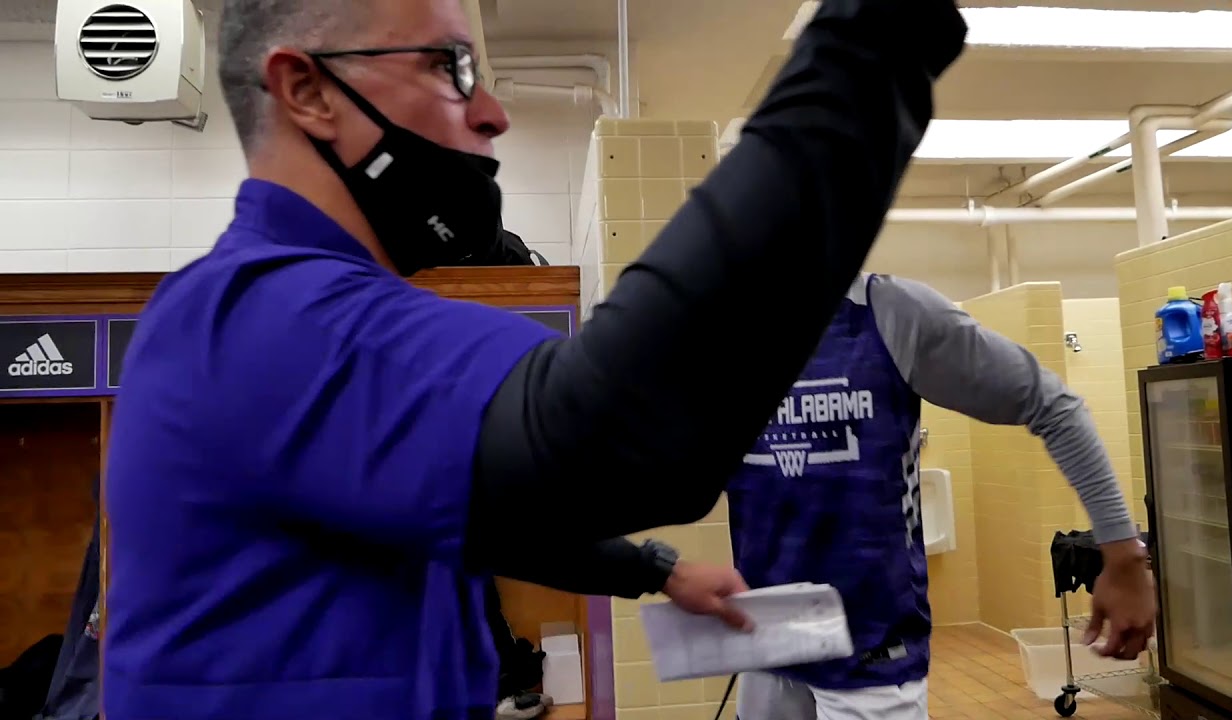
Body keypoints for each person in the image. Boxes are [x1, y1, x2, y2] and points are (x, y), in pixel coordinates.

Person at [101, 0, 969, 717]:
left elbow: (486, 510)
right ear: (307, 91)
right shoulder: (265, 318)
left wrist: (655, 568)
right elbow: (622, 432)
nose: (492, 112)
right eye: (450, 68)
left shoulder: (269, 322)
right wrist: (874, 38)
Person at [730, 273, 1158, 720]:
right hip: (768, 641)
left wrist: (1122, 554)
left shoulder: (889, 314)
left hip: (872, 652)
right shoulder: (716, 328)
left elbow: (1053, 406)